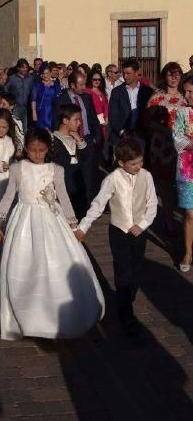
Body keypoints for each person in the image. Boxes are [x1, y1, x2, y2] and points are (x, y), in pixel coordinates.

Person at [0, 128, 104, 341]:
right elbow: (7, 197)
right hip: (24, 219)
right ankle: (25, 317)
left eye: (41, 151)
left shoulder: (56, 170)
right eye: (33, 150)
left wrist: (74, 225)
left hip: (51, 219)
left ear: (48, 149)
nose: (37, 155)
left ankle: (51, 314)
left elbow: (64, 198)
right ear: (26, 149)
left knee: (52, 263)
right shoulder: (17, 168)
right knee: (24, 265)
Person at [76, 138, 157, 336]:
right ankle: (126, 315)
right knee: (123, 270)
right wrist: (83, 226)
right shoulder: (112, 179)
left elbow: (152, 204)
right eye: (133, 164)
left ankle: (127, 297)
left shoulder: (146, 176)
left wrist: (143, 224)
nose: (138, 166)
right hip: (119, 231)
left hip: (139, 231)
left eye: (140, 162)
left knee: (136, 268)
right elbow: (98, 204)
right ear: (121, 163)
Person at [146, 62, 184, 236]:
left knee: (183, 185)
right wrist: (164, 129)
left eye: (177, 75)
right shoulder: (156, 97)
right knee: (166, 186)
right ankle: (169, 220)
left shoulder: (186, 97)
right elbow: (147, 121)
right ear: (164, 77)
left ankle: (184, 218)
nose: (174, 78)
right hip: (162, 148)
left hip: (183, 149)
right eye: (170, 75)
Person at [51, 71, 100, 204]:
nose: (84, 87)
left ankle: (88, 206)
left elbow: (93, 119)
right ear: (72, 85)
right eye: (81, 84)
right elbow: (56, 121)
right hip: (70, 143)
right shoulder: (60, 100)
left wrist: (95, 137)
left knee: (88, 176)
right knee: (73, 176)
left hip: (87, 140)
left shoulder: (87, 98)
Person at [52, 104, 88, 220]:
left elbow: (85, 159)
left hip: (77, 190)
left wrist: (79, 141)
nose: (79, 123)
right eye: (76, 120)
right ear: (65, 121)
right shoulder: (53, 140)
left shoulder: (77, 140)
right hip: (62, 189)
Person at [108, 59, 153, 149]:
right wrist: (122, 132)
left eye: (128, 73)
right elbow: (113, 115)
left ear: (136, 73)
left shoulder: (148, 91)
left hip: (142, 137)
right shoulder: (116, 92)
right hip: (121, 138)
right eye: (124, 73)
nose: (125, 76)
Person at [173, 75, 193, 273]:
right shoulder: (182, 113)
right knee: (189, 213)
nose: (186, 96)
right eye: (185, 91)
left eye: (190, 92)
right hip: (187, 168)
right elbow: (177, 138)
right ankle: (187, 252)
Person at [5, 58, 34, 132]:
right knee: (16, 128)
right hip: (16, 107)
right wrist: (10, 102)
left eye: (26, 67)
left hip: (28, 108)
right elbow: (6, 90)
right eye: (23, 67)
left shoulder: (31, 78)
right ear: (18, 68)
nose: (25, 69)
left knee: (26, 129)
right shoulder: (12, 79)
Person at [85, 70, 109, 142]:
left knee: (101, 144)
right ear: (90, 80)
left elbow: (106, 105)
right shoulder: (86, 91)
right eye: (94, 79)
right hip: (92, 122)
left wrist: (106, 117)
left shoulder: (102, 91)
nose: (97, 81)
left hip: (102, 123)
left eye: (99, 79)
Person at [0, 93, 24, 158]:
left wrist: (19, 150)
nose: (1, 106)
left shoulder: (15, 121)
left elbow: (20, 137)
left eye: (4, 104)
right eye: (0, 103)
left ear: (11, 106)